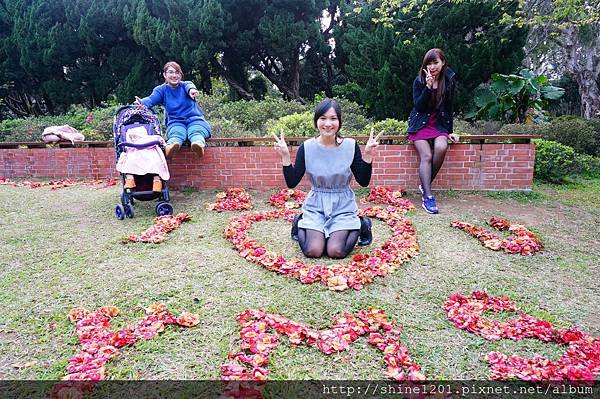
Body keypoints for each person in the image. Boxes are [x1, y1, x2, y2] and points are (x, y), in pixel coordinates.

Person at [272, 98, 382, 259]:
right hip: (316, 205)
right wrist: (286, 156)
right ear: (316, 121)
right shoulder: (307, 147)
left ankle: (361, 225)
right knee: (314, 251)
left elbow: (363, 181)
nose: (328, 124)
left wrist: (367, 155)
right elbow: (292, 182)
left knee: (335, 251)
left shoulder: (350, 146)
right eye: (323, 118)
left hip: (342, 205)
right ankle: (300, 222)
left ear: (340, 121)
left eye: (333, 118)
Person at [407, 48, 459, 214]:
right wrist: (428, 87)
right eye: (429, 63)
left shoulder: (449, 80)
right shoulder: (419, 80)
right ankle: (428, 197)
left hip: (439, 124)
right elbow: (418, 106)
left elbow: (450, 107)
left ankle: (424, 184)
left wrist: (450, 130)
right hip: (420, 124)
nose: (432, 66)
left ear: (443, 63)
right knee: (427, 155)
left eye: (435, 62)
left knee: (441, 148)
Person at [134, 61, 211, 160]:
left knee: (196, 131)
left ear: (181, 75)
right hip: (176, 121)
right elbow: (151, 99)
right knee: (176, 133)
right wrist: (142, 103)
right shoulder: (161, 90)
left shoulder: (185, 85)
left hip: (195, 119)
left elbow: (190, 87)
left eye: (177, 72)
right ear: (165, 75)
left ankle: (198, 145)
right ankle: (171, 146)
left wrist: (192, 91)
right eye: (171, 72)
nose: (174, 75)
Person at [116, 125, 170, 192]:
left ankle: (156, 182)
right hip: (139, 155)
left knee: (155, 163)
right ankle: (131, 179)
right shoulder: (130, 143)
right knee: (130, 162)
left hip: (146, 155)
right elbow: (160, 140)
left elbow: (160, 140)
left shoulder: (149, 138)